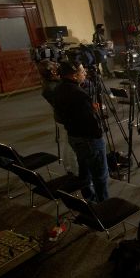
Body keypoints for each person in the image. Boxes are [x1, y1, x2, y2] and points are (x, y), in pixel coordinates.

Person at [54, 61, 109, 203]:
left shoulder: (58, 89)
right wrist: (99, 134)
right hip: (89, 139)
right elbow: (91, 122)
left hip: (74, 136)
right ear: (74, 75)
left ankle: (89, 198)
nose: (85, 74)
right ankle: (103, 204)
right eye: (82, 71)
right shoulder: (79, 94)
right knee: (100, 174)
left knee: (84, 170)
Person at [37, 60, 76, 174]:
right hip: (65, 118)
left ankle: (69, 167)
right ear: (52, 72)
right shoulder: (52, 87)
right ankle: (74, 170)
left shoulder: (50, 83)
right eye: (55, 68)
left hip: (60, 118)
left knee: (67, 142)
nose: (58, 70)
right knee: (70, 144)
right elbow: (66, 101)